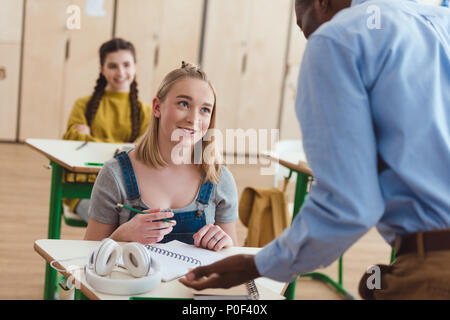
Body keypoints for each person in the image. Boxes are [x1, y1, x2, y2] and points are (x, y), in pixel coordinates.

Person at [179, 0, 450, 299]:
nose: (309, 38)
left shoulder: (337, 39)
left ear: (322, 3)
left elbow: (349, 205)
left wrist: (255, 265)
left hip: (435, 267)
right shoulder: (440, 20)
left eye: (304, 27)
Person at [84, 62, 239, 251]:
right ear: (157, 107)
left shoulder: (219, 178)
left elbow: (233, 265)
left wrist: (226, 245)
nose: (194, 119)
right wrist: (120, 237)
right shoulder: (114, 175)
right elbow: (88, 258)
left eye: (205, 109)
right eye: (184, 104)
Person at [62, 38, 152, 222]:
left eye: (126, 65)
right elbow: (72, 145)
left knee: (137, 225)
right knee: (113, 225)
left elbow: (144, 153)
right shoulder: (83, 105)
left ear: (135, 67)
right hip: (83, 189)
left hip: (127, 193)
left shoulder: (146, 112)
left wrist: (91, 141)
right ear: (102, 69)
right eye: (112, 66)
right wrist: (123, 149)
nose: (120, 72)